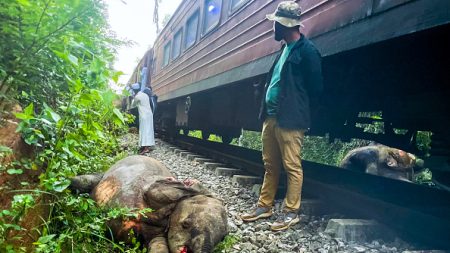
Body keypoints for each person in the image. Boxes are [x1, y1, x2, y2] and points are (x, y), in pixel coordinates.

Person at [240, 1, 323, 231]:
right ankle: (264, 206)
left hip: (291, 120)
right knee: (270, 165)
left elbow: (316, 90)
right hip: (272, 117)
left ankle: (290, 212)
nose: (273, 27)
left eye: (275, 23)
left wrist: (301, 115)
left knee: (292, 166)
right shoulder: (283, 49)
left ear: (286, 25)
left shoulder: (308, 52)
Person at [130, 82, 155, 154]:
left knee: (144, 131)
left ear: (134, 91)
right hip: (149, 115)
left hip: (144, 116)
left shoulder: (137, 97)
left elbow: (133, 105)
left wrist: (133, 98)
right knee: (148, 130)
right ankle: (145, 146)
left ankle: (145, 148)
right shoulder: (145, 95)